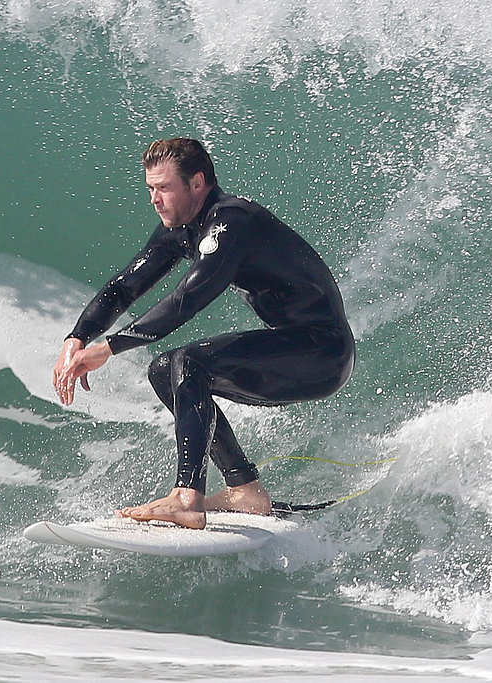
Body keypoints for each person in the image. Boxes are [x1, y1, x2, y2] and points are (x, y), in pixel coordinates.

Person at [52, 138, 354, 529]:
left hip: (322, 352)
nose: (155, 200)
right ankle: (245, 490)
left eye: (163, 188)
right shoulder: (181, 229)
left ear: (197, 183)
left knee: (189, 362)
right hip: (294, 346)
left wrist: (108, 347)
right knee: (165, 370)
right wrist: (77, 337)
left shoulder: (232, 222)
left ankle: (186, 498)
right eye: (150, 189)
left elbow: (187, 299)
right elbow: (124, 287)